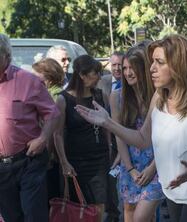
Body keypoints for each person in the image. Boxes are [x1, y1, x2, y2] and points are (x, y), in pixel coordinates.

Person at [75, 34, 187, 222]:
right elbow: (143, 139)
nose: (152, 68)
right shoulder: (159, 97)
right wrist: (107, 122)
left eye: (159, 62)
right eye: (152, 62)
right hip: (173, 189)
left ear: (179, 65)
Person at [0, 33, 60, 222]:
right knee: (11, 217)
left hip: (28, 160)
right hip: (1, 167)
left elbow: (53, 114)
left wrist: (43, 139)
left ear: (6, 56)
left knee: (34, 215)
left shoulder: (28, 80)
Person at [110, 44, 164, 222]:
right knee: (130, 210)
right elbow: (120, 136)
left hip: (156, 162)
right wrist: (130, 169)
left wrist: (153, 168)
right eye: (124, 68)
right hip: (130, 162)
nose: (127, 72)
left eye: (132, 67)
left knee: (142, 216)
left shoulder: (158, 95)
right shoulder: (117, 97)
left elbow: (166, 137)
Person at [54, 55, 110, 222]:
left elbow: (107, 126)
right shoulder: (64, 99)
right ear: (82, 75)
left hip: (99, 159)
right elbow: (57, 134)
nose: (99, 77)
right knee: (77, 207)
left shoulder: (100, 95)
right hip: (75, 161)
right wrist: (64, 162)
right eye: (96, 73)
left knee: (99, 205)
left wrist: (110, 149)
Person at [32, 58, 65, 203]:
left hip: (51, 157)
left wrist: (49, 156)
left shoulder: (54, 96)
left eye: (37, 75)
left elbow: (54, 131)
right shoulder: (48, 93)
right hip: (50, 155)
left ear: (49, 77)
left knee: (51, 200)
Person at [97, 51, 124, 222]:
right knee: (110, 177)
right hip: (108, 140)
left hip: (129, 137)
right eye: (113, 65)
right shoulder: (103, 82)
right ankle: (113, 212)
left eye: (120, 65)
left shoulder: (130, 82)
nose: (117, 68)